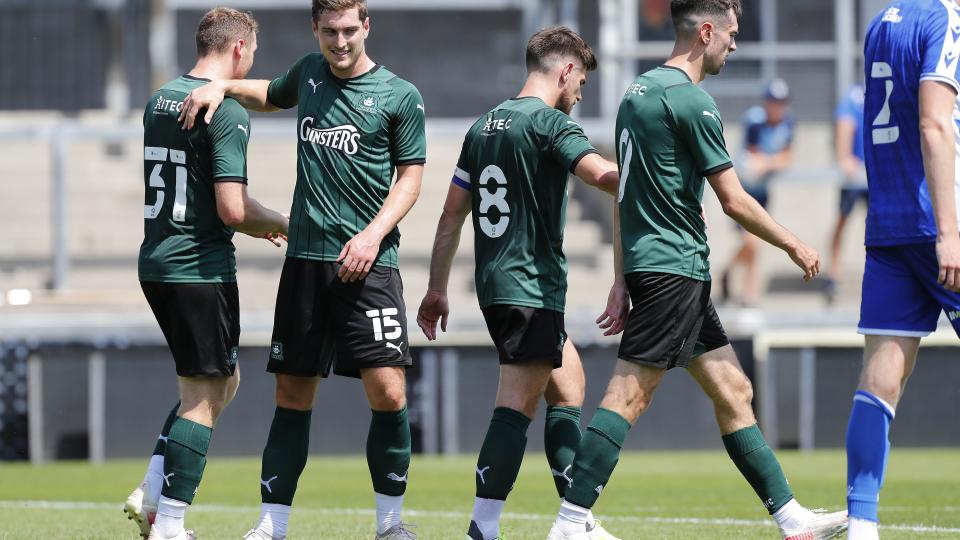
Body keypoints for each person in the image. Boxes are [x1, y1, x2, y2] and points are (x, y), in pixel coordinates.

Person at [546, 1, 847, 539]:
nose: (736, 43)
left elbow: (626, 194)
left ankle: (792, 519)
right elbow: (733, 200)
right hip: (673, 270)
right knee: (627, 396)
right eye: (732, 32)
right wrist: (794, 244)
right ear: (706, 31)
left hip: (658, 267)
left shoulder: (636, 94)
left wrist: (620, 278)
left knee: (734, 390)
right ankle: (571, 522)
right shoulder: (692, 101)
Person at [178, 1, 425, 538]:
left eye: (349, 31)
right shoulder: (310, 74)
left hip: (370, 264)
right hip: (306, 264)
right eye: (329, 32)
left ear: (366, 27)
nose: (340, 42)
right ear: (315, 29)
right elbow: (269, 94)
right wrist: (222, 88)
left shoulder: (400, 96)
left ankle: (390, 525)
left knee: (389, 392)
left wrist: (372, 234)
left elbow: (410, 178)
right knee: (292, 394)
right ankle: (272, 525)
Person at [416, 26, 621, 540]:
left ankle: (578, 519)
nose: (579, 96)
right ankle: (483, 527)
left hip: (498, 284)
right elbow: (601, 176)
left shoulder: (483, 126)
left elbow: (449, 216)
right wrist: (666, 178)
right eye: (581, 85)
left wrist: (437, 288)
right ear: (566, 70)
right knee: (515, 404)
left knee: (569, 386)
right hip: (530, 285)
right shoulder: (551, 123)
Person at [123, 7, 289, 540]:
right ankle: (169, 524)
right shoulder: (229, 113)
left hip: (158, 261)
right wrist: (285, 222)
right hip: (199, 266)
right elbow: (232, 210)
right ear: (239, 49)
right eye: (253, 53)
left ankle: (152, 482)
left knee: (222, 380)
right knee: (203, 395)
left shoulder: (160, 98)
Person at [847, 2, 960, 539]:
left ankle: (862, 523)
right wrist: (950, 231)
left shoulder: (880, 23)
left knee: (881, 379)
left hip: (889, 224)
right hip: (937, 219)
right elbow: (934, 123)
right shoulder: (945, 20)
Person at [720, 78, 795, 306]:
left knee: (756, 243)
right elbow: (753, 159)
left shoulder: (788, 123)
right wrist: (770, 162)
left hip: (762, 193)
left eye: (781, 102)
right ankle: (736, 280)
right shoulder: (755, 120)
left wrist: (768, 162)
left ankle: (743, 287)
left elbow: (785, 158)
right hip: (742, 192)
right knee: (752, 242)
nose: (777, 107)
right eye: (773, 102)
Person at [824, 83, 867, 305]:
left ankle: (880, 273)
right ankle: (833, 275)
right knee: (842, 221)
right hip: (855, 175)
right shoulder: (855, 94)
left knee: (878, 228)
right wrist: (843, 157)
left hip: (876, 175)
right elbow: (844, 122)